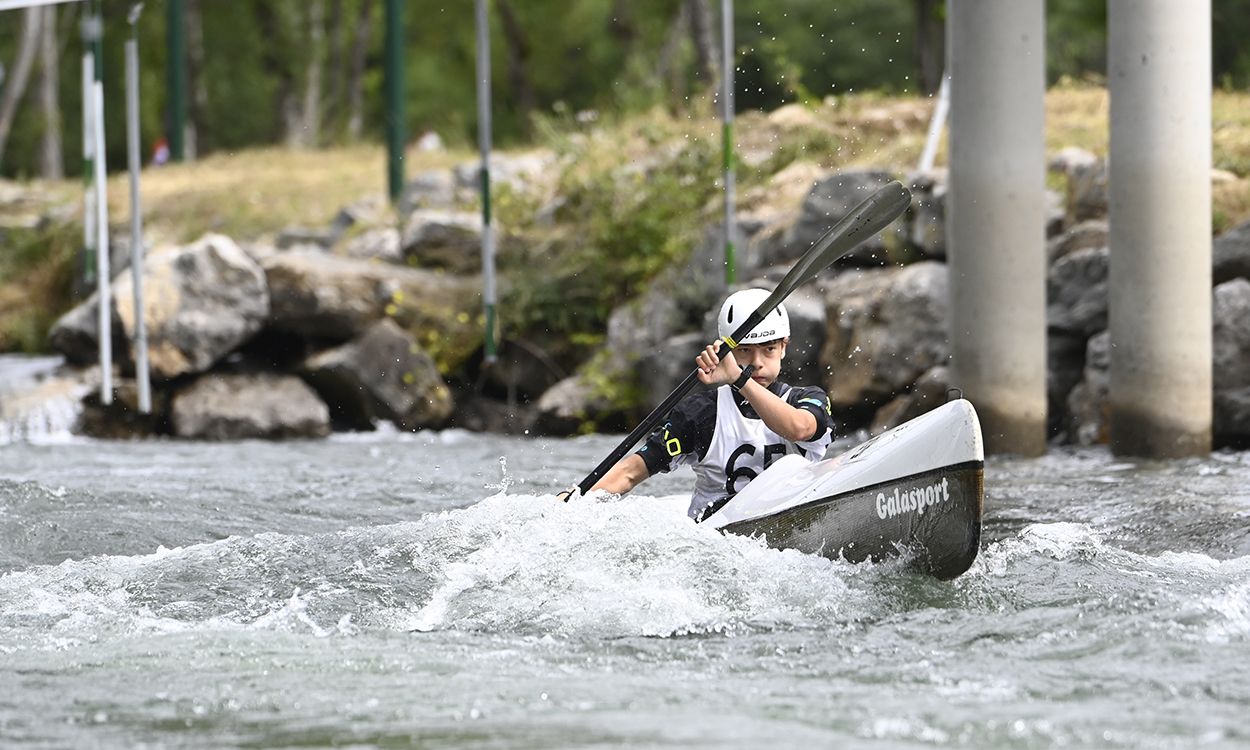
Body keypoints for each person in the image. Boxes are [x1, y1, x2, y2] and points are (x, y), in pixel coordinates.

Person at [574, 288, 834, 522]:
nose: (757, 362)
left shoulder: (808, 399)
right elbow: (630, 472)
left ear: (784, 349)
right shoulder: (700, 414)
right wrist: (573, 504)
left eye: (768, 349)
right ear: (726, 352)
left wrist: (739, 378)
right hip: (719, 535)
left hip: (795, 516)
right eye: (744, 351)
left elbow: (799, 429)